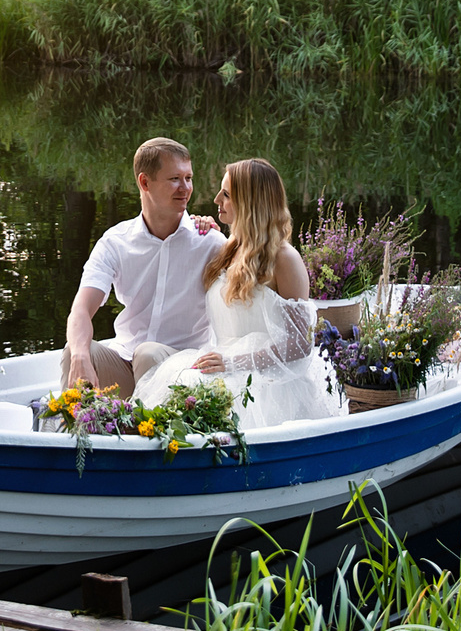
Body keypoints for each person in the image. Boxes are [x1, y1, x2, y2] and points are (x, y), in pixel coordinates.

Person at [132, 158, 338, 430]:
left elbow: (299, 344)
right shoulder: (230, 248)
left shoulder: (285, 259)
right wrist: (200, 228)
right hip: (222, 363)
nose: (217, 199)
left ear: (250, 202)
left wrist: (233, 363)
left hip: (266, 383)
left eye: (226, 194)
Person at [63, 137, 218, 395]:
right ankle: (83, 429)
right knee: (76, 350)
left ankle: (148, 430)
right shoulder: (116, 242)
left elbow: (251, 276)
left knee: (149, 352)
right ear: (145, 182)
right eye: (175, 179)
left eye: (188, 178)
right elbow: (80, 310)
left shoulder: (210, 242)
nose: (186, 188)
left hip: (187, 372)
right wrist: (80, 356)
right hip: (126, 362)